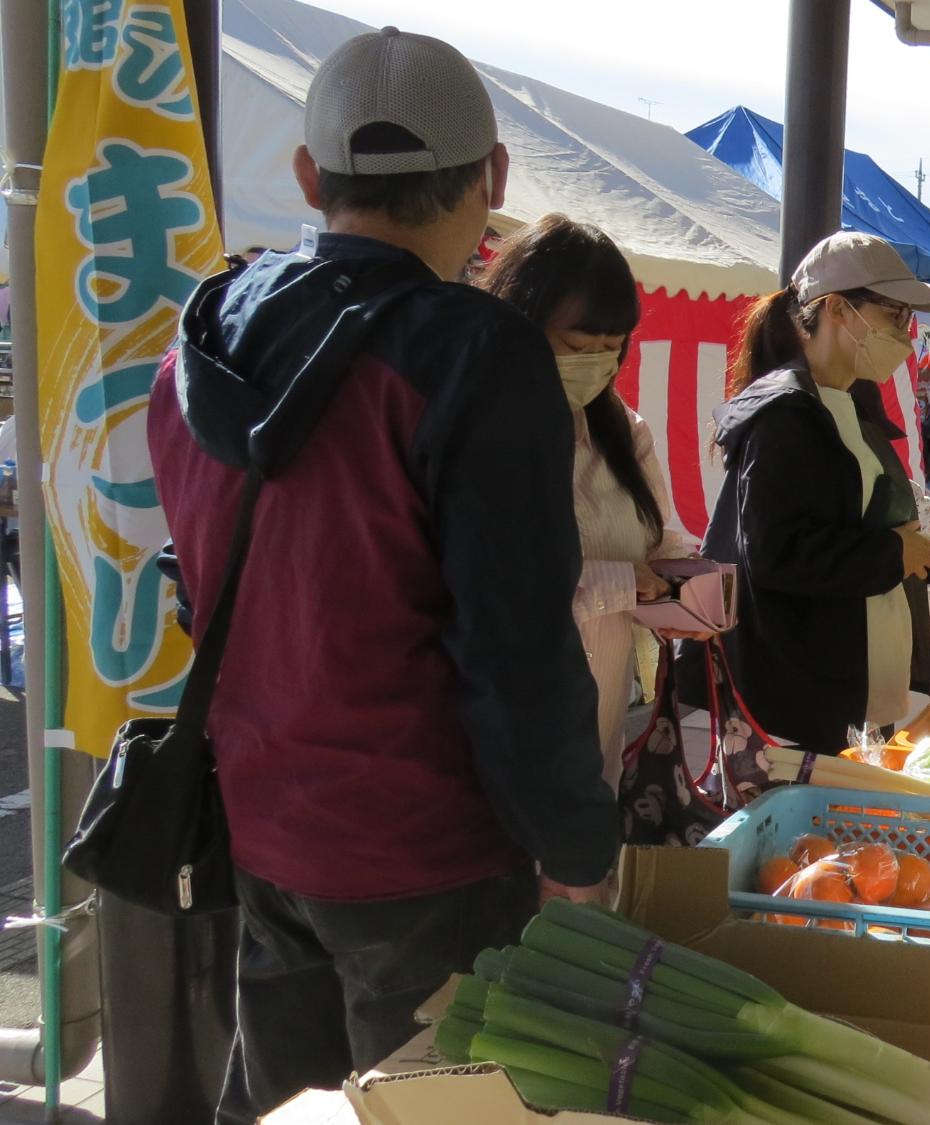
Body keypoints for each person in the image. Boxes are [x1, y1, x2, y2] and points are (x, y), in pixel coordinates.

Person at [148, 28, 619, 1124]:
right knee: (434, 1109)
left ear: (310, 178)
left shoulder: (197, 346)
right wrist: (573, 845)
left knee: (285, 1110)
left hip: (262, 828)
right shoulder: (476, 354)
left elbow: (199, 581)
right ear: (493, 179)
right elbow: (514, 648)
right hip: (428, 854)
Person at [683, 232, 930, 753]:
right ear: (836, 310)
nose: (906, 333)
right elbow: (776, 554)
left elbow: (864, 532)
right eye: (895, 314)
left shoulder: (854, 404)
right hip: (792, 703)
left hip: (853, 695)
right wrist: (896, 552)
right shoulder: (782, 417)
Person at [479, 214, 704, 795]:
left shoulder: (624, 434)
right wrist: (622, 582)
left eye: (611, 350)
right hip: (501, 739)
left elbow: (665, 541)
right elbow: (492, 583)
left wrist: (696, 588)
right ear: (522, 324)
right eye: (577, 347)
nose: (596, 365)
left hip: (600, 732)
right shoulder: (477, 433)